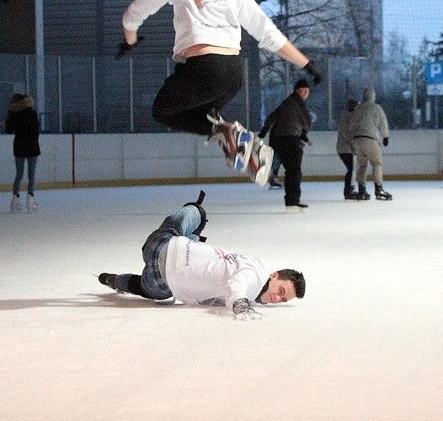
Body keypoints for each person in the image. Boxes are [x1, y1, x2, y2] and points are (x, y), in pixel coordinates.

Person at [120, 0, 322, 184]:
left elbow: (134, 13)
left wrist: (130, 40)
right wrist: (307, 64)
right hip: (233, 76)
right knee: (206, 114)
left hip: (202, 68)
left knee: (163, 109)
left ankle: (226, 132)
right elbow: (268, 34)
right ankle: (240, 140)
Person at [98, 191, 305, 320]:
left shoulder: (252, 269)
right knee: (145, 289)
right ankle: (115, 280)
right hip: (162, 284)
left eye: (283, 299)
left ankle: (194, 211)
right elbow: (237, 286)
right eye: (281, 291)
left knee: (196, 215)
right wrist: (241, 306)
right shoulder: (255, 276)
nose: (278, 298)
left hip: (162, 247)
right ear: (274, 275)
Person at [258, 79, 313, 212]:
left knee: (291, 170)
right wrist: (304, 136)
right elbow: (306, 122)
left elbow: (272, 116)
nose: (306, 94)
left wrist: (264, 131)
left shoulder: (287, 102)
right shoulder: (297, 104)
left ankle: (291, 200)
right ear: (300, 91)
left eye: (307, 91)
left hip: (280, 139)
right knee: (294, 171)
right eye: (305, 91)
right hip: (291, 139)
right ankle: (292, 201)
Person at [349, 87, 391, 201]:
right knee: (377, 163)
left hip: (357, 140)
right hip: (370, 139)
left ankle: (361, 190)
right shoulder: (376, 108)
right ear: (373, 96)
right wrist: (385, 136)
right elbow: (383, 123)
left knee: (362, 165)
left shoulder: (357, 109)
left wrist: (352, 140)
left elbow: (351, 125)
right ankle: (379, 189)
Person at [5, 93, 41, 213]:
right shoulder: (32, 112)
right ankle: (30, 201)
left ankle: (14, 201)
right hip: (32, 145)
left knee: (19, 174)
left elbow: (8, 130)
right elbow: (36, 129)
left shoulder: (14, 114)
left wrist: (6, 123)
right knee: (31, 175)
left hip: (19, 146)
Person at [336, 99, 359, 200]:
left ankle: (349, 189)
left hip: (343, 147)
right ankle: (348, 191)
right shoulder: (348, 117)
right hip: (346, 148)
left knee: (351, 169)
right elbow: (347, 133)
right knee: (351, 169)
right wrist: (353, 144)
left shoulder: (345, 116)